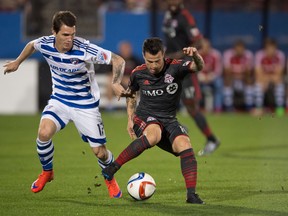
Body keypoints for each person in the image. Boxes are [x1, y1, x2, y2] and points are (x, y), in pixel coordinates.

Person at [3, 11, 127, 198]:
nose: (70, 39)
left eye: (73, 34)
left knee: (100, 153)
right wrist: (18, 62)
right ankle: (47, 172)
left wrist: (116, 82)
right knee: (44, 132)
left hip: (85, 105)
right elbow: (31, 45)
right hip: (60, 100)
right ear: (54, 32)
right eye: (65, 35)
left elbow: (118, 59)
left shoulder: (84, 49)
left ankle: (110, 178)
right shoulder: (45, 43)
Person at [102, 37, 205, 204]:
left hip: (169, 120)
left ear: (163, 55)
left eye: (157, 61)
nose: (154, 65)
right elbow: (132, 95)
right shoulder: (138, 73)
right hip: (144, 117)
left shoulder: (176, 67)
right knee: (154, 134)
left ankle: (191, 195)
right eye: (149, 61)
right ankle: (113, 167)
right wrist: (130, 119)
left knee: (185, 146)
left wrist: (195, 55)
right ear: (144, 57)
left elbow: (199, 66)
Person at [162, 0, 220, 156]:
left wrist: (179, 55)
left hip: (186, 68)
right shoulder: (167, 15)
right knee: (162, 99)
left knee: (191, 106)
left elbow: (199, 42)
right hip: (170, 67)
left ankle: (212, 139)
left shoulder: (186, 17)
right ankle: (178, 127)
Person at [252, 38, 286, 116]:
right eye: (268, 48)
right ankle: (259, 109)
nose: (271, 50)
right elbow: (258, 72)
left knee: (279, 84)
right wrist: (265, 81)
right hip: (262, 79)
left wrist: (269, 79)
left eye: (272, 48)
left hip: (275, 79)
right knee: (258, 85)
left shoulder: (280, 55)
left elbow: (279, 73)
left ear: (275, 48)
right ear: (265, 48)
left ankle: (280, 109)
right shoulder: (259, 55)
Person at [106, 40, 142, 111]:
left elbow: (140, 73)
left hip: (131, 82)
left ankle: (135, 106)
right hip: (118, 81)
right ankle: (109, 105)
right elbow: (110, 73)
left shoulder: (135, 60)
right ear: (120, 49)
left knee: (136, 83)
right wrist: (121, 79)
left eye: (128, 48)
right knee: (110, 80)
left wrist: (130, 79)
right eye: (124, 48)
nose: (126, 50)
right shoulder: (116, 59)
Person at [222, 40, 254, 112]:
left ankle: (249, 107)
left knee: (249, 82)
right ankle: (228, 108)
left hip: (243, 78)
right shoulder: (228, 54)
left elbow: (249, 72)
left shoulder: (248, 55)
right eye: (237, 48)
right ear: (234, 49)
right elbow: (227, 71)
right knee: (227, 81)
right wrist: (237, 74)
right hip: (232, 78)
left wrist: (242, 75)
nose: (239, 50)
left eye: (241, 48)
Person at [198, 38, 223, 112]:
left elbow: (218, 70)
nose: (205, 48)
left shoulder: (216, 54)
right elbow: (193, 68)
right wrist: (201, 76)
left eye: (207, 46)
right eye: (203, 47)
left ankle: (218, 107)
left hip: (212, 77)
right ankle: (193, 108)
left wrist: (210, 76)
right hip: (200, 77)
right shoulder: (197, 54)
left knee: (219, 83)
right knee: (190, 82)